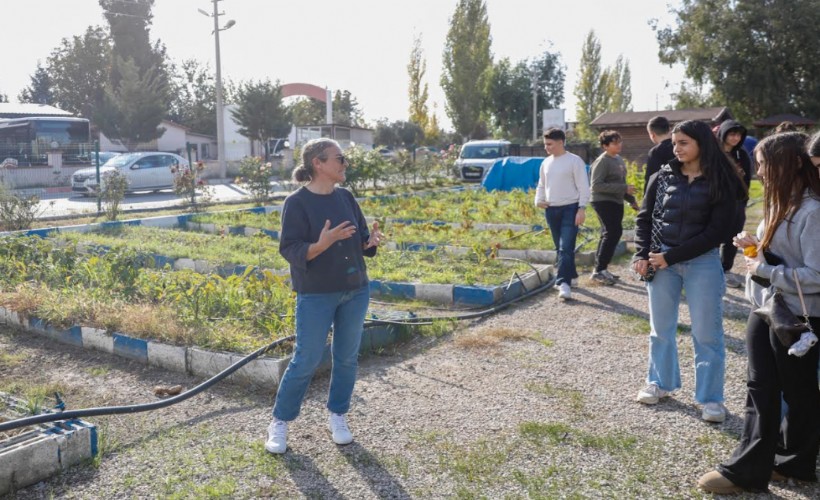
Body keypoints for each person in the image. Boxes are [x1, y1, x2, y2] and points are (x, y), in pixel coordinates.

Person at [697, 132, 820, 494]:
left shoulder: (812, 212)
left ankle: (766, 468)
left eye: (765, 163)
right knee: (767, 390)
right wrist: (755, 249)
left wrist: (766, 270)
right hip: (768, 308)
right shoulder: (782, 203)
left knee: (792, 393)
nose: (759, 171)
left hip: (797, 317)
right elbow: (777, 260)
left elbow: (817, 275)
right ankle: (775, 464)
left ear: (792, 163)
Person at [265, 138, 383, 454]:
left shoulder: (345, 197)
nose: (345, 164)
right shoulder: (297, 203)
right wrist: (323, 243)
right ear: (319, 163)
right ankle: (280, 421)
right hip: (316, 293)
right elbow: (290, 249)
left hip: (356, 289)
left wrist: (369, 242)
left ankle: (338, 416)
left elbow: (358, 241)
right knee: (306, 358)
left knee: (346, 357)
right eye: (339, 158)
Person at [632, 120, 745, 423]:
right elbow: (644, 220)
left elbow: (718, 231)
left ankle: (711, 400)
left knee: (708, 333)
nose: (676, 148)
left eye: (683, 143)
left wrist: (672, 257)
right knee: (661, 329)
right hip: (661, 262)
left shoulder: (722, 179)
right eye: (674, 143)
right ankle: (659, 382)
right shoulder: (662, 177)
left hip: (702, 262)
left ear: (700, 144)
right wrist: (641, 255)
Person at [534, 127, 590, 300]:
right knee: (560, 248)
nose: (547, 147)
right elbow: (541, 185)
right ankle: (572, 275)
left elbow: (583, 186)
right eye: (545, 144)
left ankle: (563, 283)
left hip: (570, 209)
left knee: (566, 247)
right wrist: (538, 200)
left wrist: (581, 208)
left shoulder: (575, 161)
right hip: (551, 210)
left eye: (549, 144)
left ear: (560, 142)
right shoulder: (546, 163)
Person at [589, 130, 637, 285]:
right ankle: (599, 271)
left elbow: (622, 183)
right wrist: (623, 188)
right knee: (613, 232)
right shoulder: (602, 161)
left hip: (616, 201)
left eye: (620, 142)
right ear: (605, 146)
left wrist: (631, 200)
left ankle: (601, 269)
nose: (619, 145)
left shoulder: (618, 160)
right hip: (602, 201)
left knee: (610, 234)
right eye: (615, 143)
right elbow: (596, 186)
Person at [717, 120, 753, 288]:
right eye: (732, 134)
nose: (735, 138)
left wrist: (744, 200)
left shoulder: (742, 154)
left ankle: (725, 269)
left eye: (738, 135)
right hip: (715, 202)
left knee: (733, 237)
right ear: (724, 134)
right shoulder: (713, 153)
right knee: (713, 235)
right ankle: (709, 269)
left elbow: (746, 181)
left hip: (737, 202)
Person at [645, 116, 675, 195]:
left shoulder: (655, 152)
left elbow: (651, 179)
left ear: (652, 135)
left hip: (664, 195)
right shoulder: (680, 147)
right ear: (669, 130)